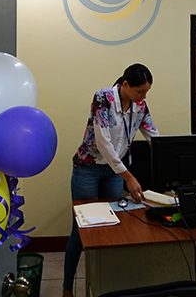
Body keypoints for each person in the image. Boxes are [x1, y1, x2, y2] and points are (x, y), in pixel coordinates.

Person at [62, 63, 159, 297]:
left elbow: (154, 136)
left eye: (146, 92)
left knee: (114, 226)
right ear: (125, 84)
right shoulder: (103, 98)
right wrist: (128, 176)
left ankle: (106, 284)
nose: (143, 97)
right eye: (140, 91)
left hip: (114, 172)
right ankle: (67, 287)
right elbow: (103, 142)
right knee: (82, 229)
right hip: (88, 169)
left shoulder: (140, 105)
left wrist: (169, 154)